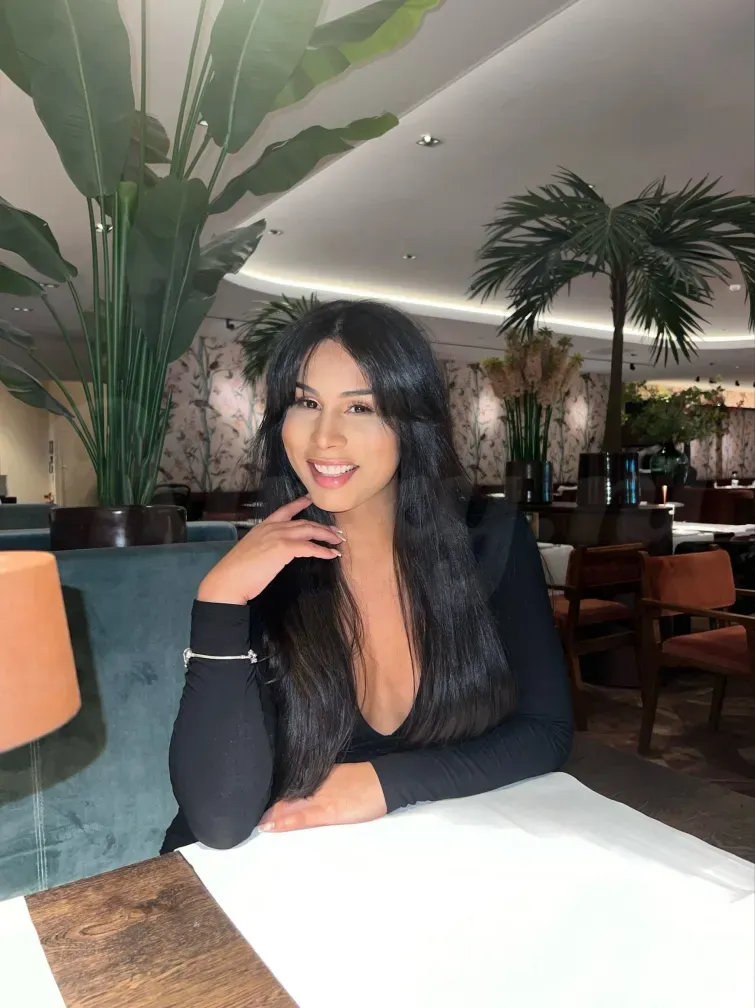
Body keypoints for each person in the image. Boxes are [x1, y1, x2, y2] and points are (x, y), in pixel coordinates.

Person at [162, 301, 573, 852]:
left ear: (413, 422)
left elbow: (545, 732)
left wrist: (384, 784)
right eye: (306, 402)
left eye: (361, 407)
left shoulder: (489, 541)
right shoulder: (259, 576)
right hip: (264, 876)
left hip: (424, 861)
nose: (324, 438)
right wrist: (219, 599)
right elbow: (218, 821)